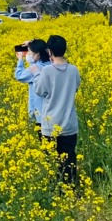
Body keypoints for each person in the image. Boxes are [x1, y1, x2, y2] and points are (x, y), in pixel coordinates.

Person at [30, 34, 80, 184]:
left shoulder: (47, 71)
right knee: (69, 159)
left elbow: (39, 90)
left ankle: (55, 191)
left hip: (51, 124)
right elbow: (75, 87)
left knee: (52, 161)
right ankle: (70, 190)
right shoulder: (74, 70)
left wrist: (36, 73)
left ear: (50, 51)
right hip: (69, 124)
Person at [13, 39, 52, 136]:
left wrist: (20, 60)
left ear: (37, 54)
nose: (28, 54)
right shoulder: (51, 65)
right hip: (53, 112)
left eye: (29, 51)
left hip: (39, 114)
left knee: (44, 142)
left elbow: (19, 76)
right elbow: (43, 47)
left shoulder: (34, 68)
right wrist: (31, 43)